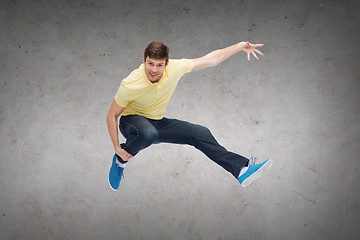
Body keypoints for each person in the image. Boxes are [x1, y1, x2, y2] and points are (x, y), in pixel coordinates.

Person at [106, 41, 272, 191]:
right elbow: (112, 115)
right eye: (150, 64)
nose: (154, 70)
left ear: (166, 64)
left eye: (159, 65)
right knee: (148, 133)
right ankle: (120, 160)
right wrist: (117, 148)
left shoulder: (175, 68)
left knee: (200, 133)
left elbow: (211, 60)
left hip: (156, 122)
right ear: (144, 60)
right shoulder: (130, 83)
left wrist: (240, 46)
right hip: (131, 122)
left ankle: (241, 169)